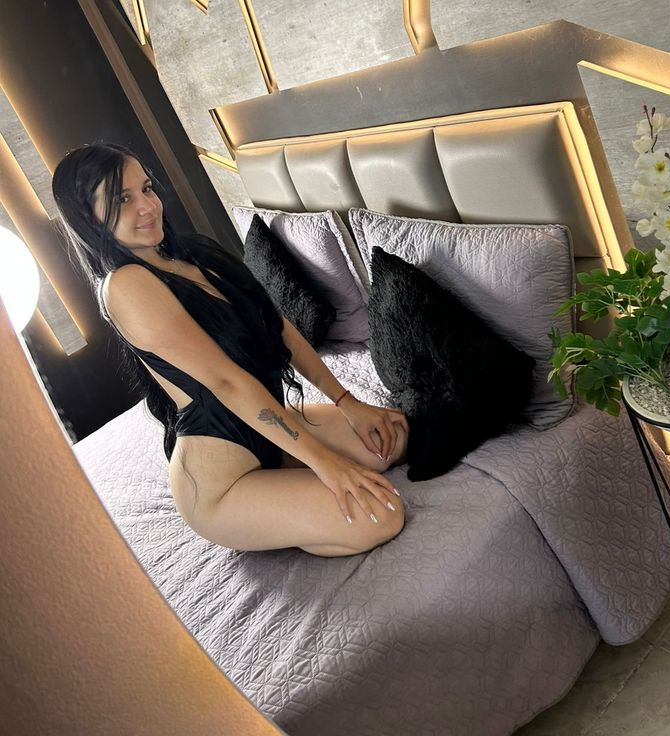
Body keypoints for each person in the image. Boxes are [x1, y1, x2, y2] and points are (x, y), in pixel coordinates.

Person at [52, 143, 408, 557]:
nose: (147, 206)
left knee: (393, 436)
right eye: (122, 200)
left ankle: (289, 480)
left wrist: (348, 402)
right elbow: (226, 381)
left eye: (146, 189)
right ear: (87, 217)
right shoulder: (125, 285)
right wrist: (325, 463)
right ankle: (277, 510)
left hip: (270, 432)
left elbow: (279, 328)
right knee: (383, 515)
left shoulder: (197, 252)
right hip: (222, 481)